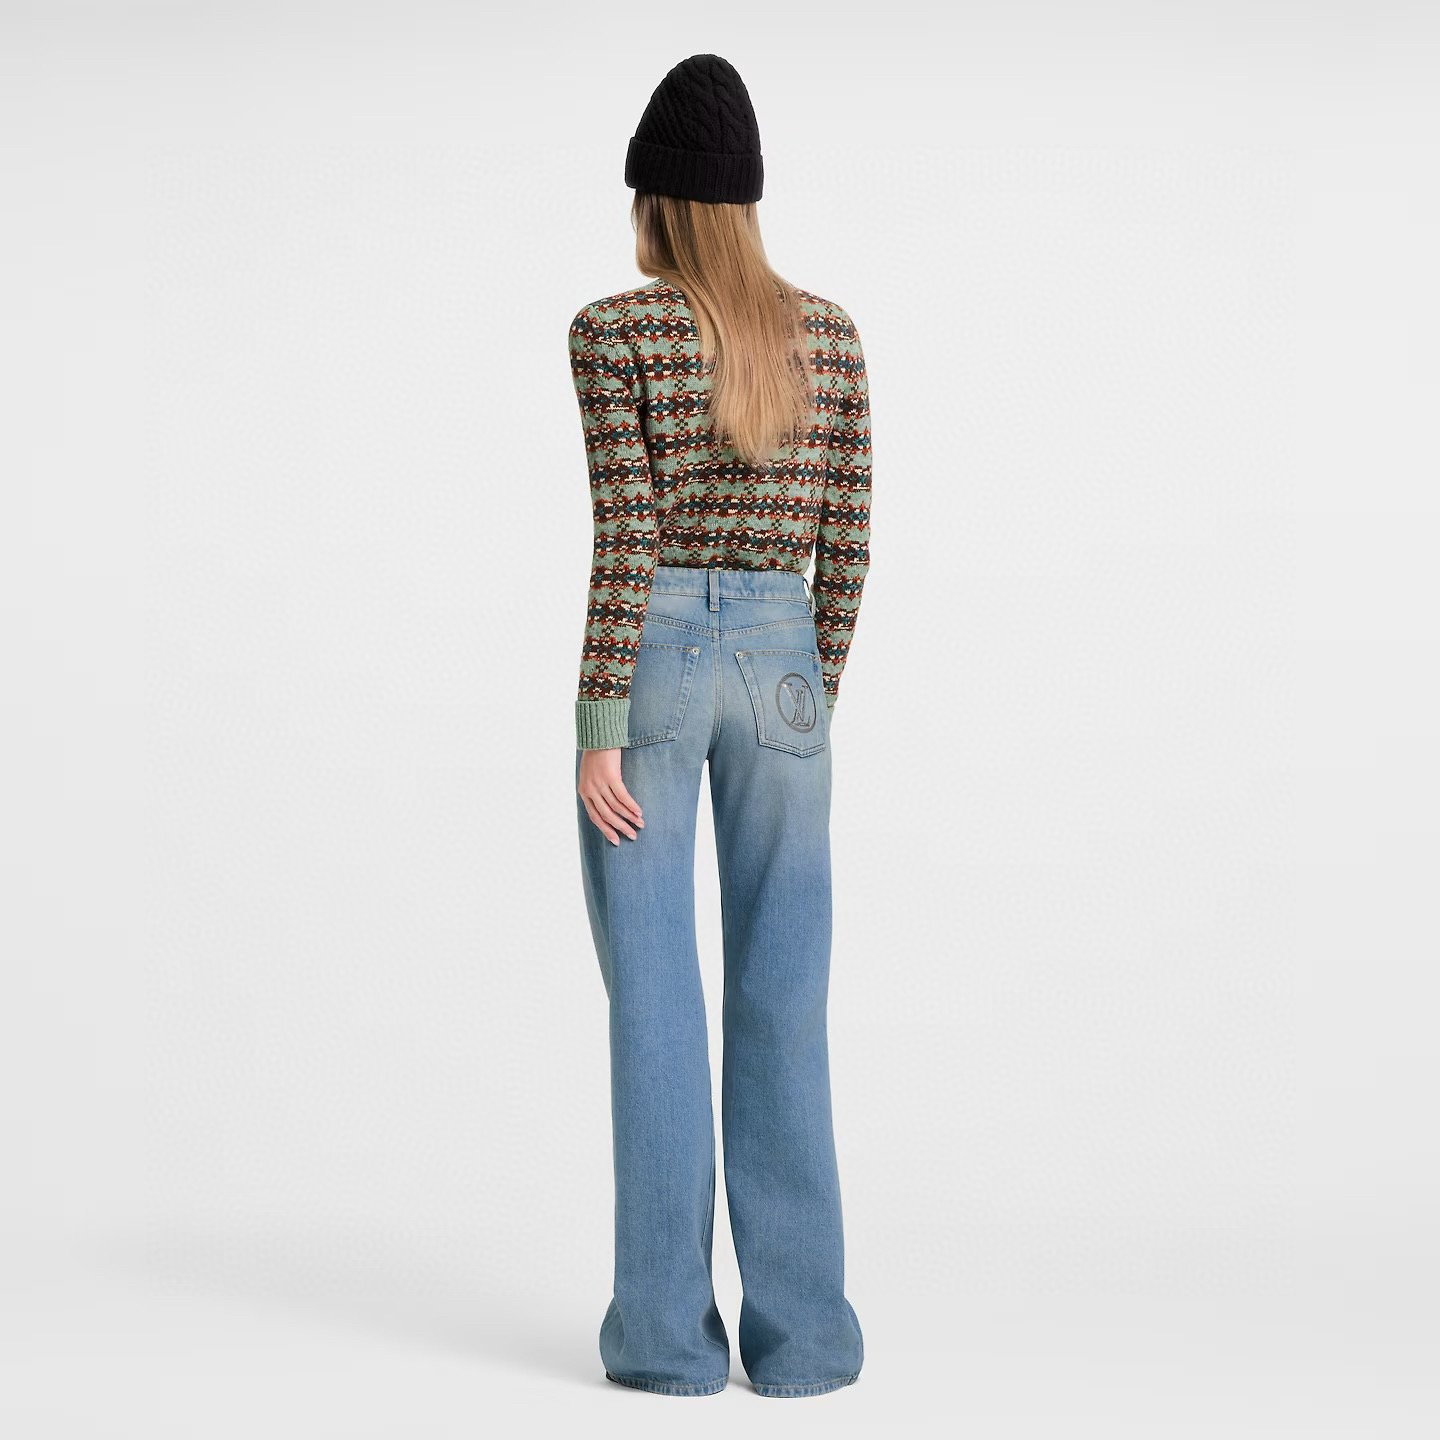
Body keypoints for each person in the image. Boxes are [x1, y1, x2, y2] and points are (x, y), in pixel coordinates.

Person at [569, 53, 871, 1399]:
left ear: (657, 205)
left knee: (653, 995)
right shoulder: (830, 337)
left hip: (656, 663)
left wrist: (600, 718)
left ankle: (664, 1344)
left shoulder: (613, 334)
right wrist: (809, 693)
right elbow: (847, 545)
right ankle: (808, 1342)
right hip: (785, 662)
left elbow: (626, 535)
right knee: (785, 994)